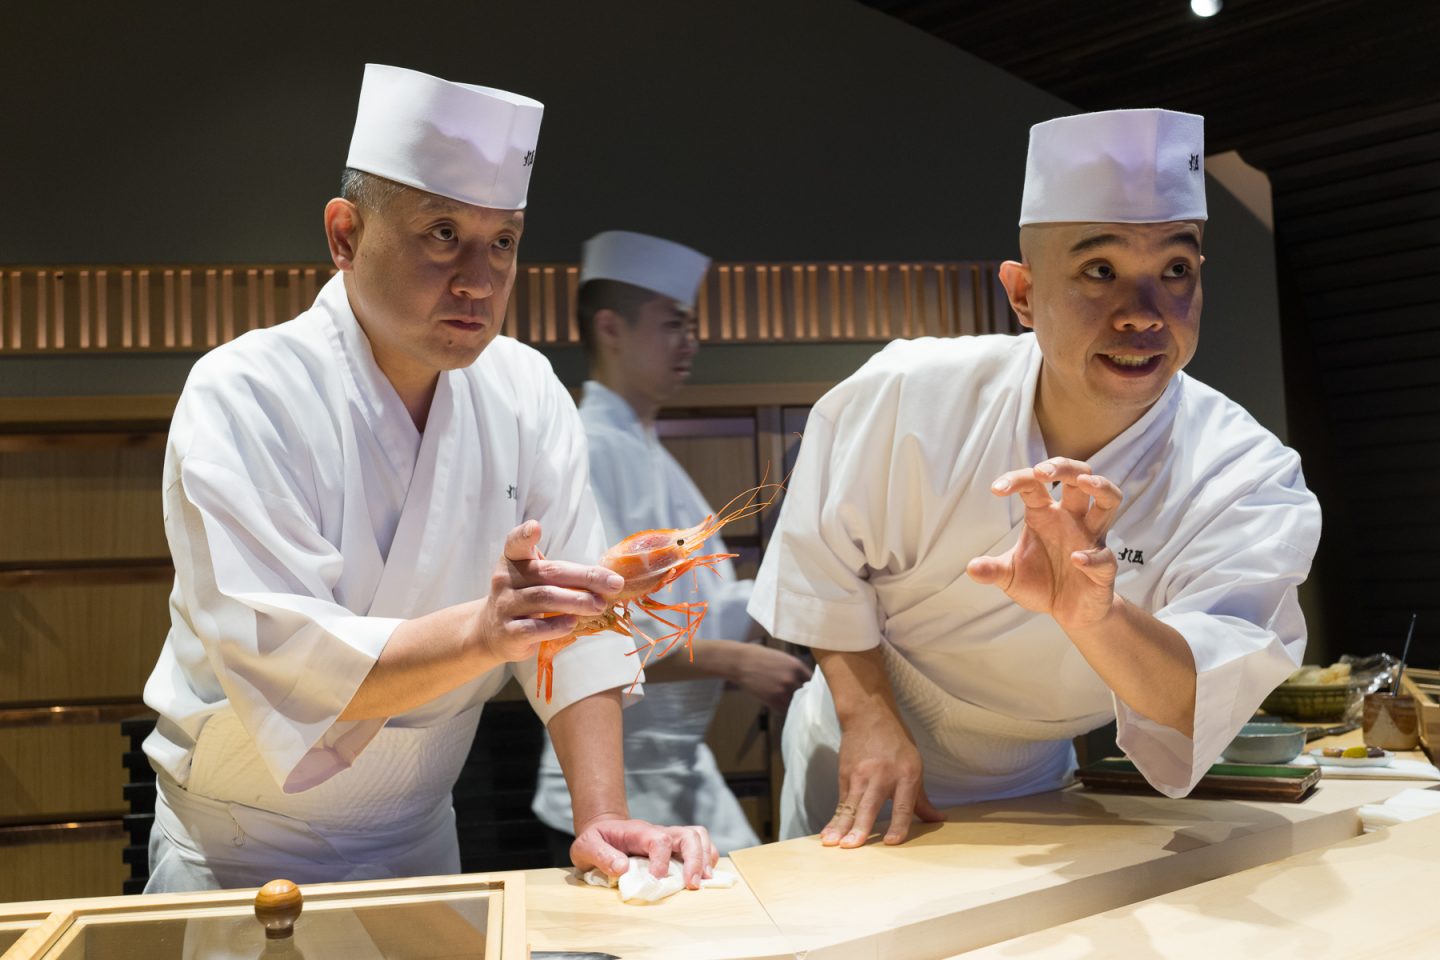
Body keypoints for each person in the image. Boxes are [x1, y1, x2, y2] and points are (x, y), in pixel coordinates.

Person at [141, 64, 716, 892]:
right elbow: (292, 658)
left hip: (420, 843)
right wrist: (487, 633)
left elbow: (583, 627)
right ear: (345, 236)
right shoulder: (246, 392)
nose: (478, 280)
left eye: (503, 242)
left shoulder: (524, 392)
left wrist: (599, 815)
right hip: (240, 850)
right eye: (441, 233)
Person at [748, 109, 1322, 846]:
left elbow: (1196, 698)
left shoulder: (1245, 475)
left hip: (1036, 784)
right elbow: (820, 569)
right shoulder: (906, 394)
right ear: (1023, 294)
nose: (1144, 315)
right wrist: (869, 719)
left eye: (1175, 270)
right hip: (864, 749)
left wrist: (1096, 617)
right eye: (1100, 271)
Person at [531, 230, 812, 857]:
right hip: (616, 775)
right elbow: (588, 624)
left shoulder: (644, 447)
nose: (691, 341)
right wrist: (729, 659)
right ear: (611, 329)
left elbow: (698, 603)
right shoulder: (592, 446)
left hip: (676, 765)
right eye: (672, 324)